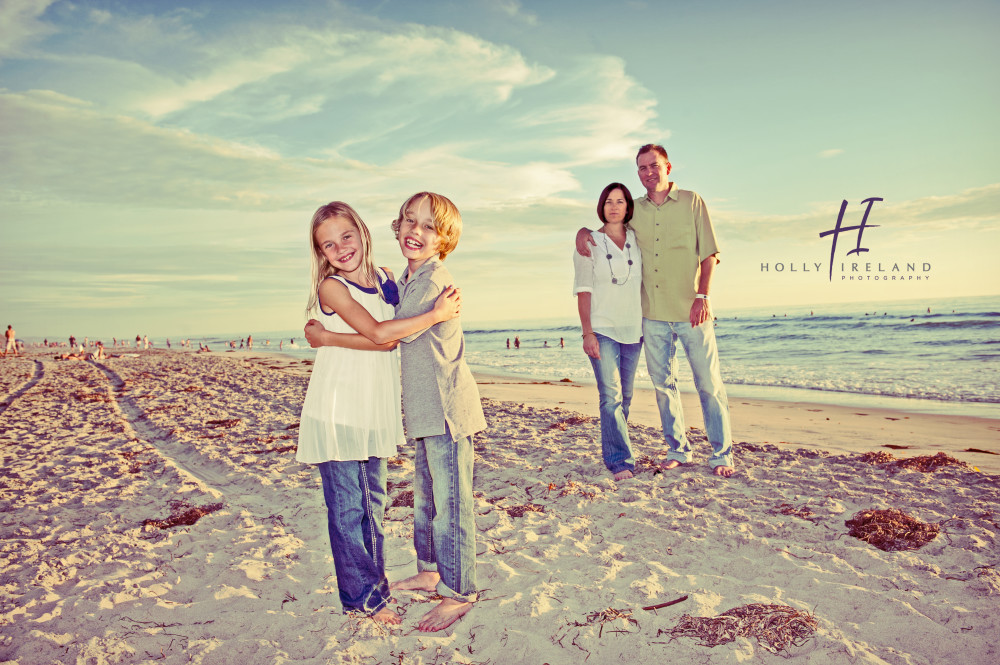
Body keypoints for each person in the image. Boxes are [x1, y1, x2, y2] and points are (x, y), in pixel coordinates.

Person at [306, 192, 485, 633]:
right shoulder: (402, 279)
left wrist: (326, 337)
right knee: (423, 500)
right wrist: (325, 336)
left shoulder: (424, 284)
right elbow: (384, 328)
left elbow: (388, 334)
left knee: (448, 503)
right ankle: (428, 570)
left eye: (427, 226)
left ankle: (458, 590)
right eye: (408, 221)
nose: (415, 231)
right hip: (406, 408)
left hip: (443, 407)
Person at [577, 144, 734, 477]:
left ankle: (721, 453)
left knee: (708, 383)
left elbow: (709, 254)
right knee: (664, 386)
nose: (649, 172)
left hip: (692, 310)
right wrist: (581, 233)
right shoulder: (636, 211)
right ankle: (678, 449)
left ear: (668, 166)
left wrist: (703, 295)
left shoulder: (693, 202)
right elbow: (609, 226)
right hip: (651, 316)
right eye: (642, 168)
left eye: (654, 165)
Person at [573, 183, 643, 481]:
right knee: (610, 396)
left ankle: (617, 447)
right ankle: (619, 460)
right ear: (601, 206)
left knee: (625, 397)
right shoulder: (589, 242)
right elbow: (584, 290)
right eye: (608, 201)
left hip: (634, 328)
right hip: (602, 328)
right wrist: (587, 332)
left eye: (620, 202)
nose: (614, 207)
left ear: (628, 207)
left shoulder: (638, 240)